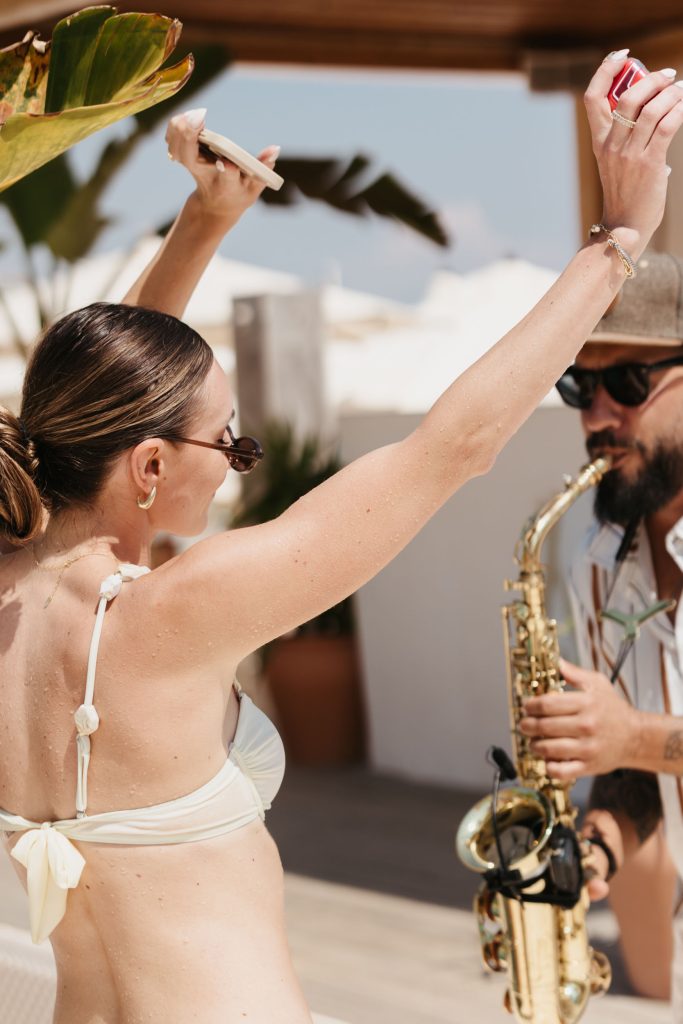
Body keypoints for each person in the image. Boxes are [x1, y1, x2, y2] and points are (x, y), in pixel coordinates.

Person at [0, 54, 681, 1024]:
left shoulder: (14, 598)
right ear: (151, 469)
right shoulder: (177, 611)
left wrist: (202, 223)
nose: (238, 458)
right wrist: (615, 239)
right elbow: (451, 448)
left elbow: (95, 417)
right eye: (228, 439)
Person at [520, 250, 683, 1011]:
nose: (594, 418)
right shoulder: (593, 556)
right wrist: (596, 848)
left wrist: (631, 738)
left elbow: (637, 740)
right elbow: (634, 773)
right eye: (578, 387)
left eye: (626, 384)